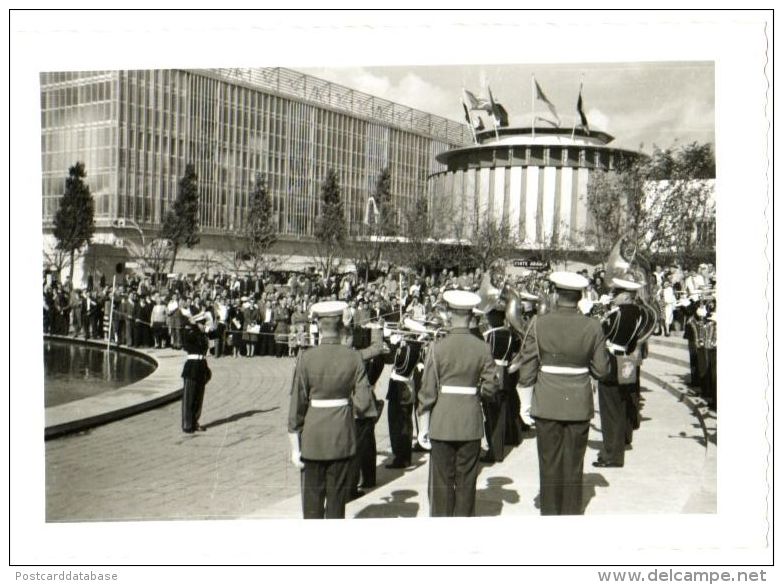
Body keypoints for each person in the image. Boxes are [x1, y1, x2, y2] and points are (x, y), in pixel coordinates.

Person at [516, 272, 610, 515]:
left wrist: (525, 400)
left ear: (556, 295)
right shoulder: (593, 326)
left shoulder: (538, 323)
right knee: (573, 464)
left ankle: (550, 512)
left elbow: (527, 368)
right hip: (578, 402)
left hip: (547, 400)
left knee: (548, 463)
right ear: (579, 297)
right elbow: (601, 370)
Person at [287, 300, 378, 519]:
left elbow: (296, 406)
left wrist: (294, 446)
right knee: (337, 503)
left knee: (311, 505)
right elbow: (364, 403)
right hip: (341, 436)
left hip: (313, 437)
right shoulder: (354, 357)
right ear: (340, 326)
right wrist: (346, 407)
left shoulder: (306, 358)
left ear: (318, 325)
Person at [417, 290, 499, 517]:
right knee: (466, 483)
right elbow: (491, 386)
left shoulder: (437, 347)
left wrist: (423, 425)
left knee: (441, 484)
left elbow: (427, 391)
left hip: (442, 421)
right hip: (470, 421)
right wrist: (477, 393)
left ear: (450, 315)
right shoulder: (482, 347)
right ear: (471, 315)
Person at [594, 276, 647, 469]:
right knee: (622, 404)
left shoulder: (617, 314)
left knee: (610, 410)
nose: (613, 296)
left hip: (612, 360)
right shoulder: (638, 313)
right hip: (627, 358)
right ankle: (623, 440)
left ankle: (611, 455)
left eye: (616, 293)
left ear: (626, 295)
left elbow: (601, 334)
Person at [180, 313, 211, 433]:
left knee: (199, 397)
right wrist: (192, 325)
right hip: (192, 366)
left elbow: (215, 333)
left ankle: (195, 421)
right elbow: (186, 337)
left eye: (204, 323)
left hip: (201, 365)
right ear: (196, 324)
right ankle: (187, 424)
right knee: (189, 397)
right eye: (202, 324)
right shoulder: (190, 333)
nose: (204, 326)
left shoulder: (202, 335)